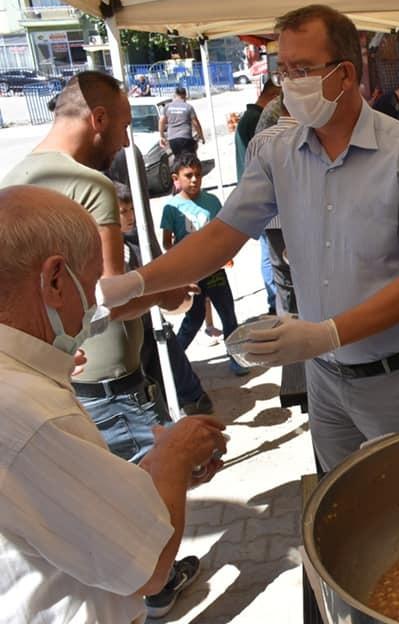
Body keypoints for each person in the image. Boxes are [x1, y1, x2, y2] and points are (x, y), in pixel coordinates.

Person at [104, 4, 399, 473]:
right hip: (323, 376)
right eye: (284, 69)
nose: (289, 81)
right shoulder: (279, 151)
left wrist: (325, 333)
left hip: (394, 380)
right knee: (339, 503)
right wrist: (136, 284)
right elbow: (219, 236)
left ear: (345, 73)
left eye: (303, 70)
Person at [0, 185, 228, 623]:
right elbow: (148, 569)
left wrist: (152, 476)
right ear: (54, 280)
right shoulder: (33, 416)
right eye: (89, 286)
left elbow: (66, 507)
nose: (92, 309)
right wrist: (174, 458)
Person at [0, 71, 192, 463]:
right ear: (99, 119)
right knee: (154, 503)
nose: (124, 141)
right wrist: (167, 292)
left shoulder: (15, 181)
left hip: (58, 381)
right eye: (123, 127)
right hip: (113, 385)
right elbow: (109, 296)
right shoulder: (89, 185)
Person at [115, 183, 212, 416]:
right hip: (131, 338)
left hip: (151, 325)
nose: (130, 217)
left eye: (131, 210)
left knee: (170, 354)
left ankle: (193, 398)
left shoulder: (137, 243)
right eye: (122, 212)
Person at [160, 153, 248, 376]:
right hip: (191, 276)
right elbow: (166, 243)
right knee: (194, 318)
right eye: (188, 175)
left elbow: (223, 233)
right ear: (175, 178)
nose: (194, 180)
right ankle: (174, 361)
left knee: (228, 314)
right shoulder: (171, 208)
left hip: (214, 271)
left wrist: (225, 253)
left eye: (198, 175)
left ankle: (237, 358)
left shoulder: (212, 202)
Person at [248, 97, 299, 315]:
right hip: (306, 219)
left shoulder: (259, 141)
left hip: (273, 221)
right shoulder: (312, 136)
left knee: (283, 278)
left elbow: (251, 187)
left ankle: (288, 321)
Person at [235, 81, 282, 315]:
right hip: (268, 208)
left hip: (265, 207)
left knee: (272, 256)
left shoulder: (250, 119)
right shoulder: (259, 126)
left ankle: (276, 301)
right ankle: (274, 300)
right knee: (270, 256)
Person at [160, 86, 205, 157]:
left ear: (175, 95)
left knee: (178, 159)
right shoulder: (188, 107)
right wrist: (201, 136)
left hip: (172, 139)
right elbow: (196, 123)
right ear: (185, 95)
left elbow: (161, 121)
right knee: (189, 159)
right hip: (185, 138)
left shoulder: (167, 107)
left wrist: (162, 136)